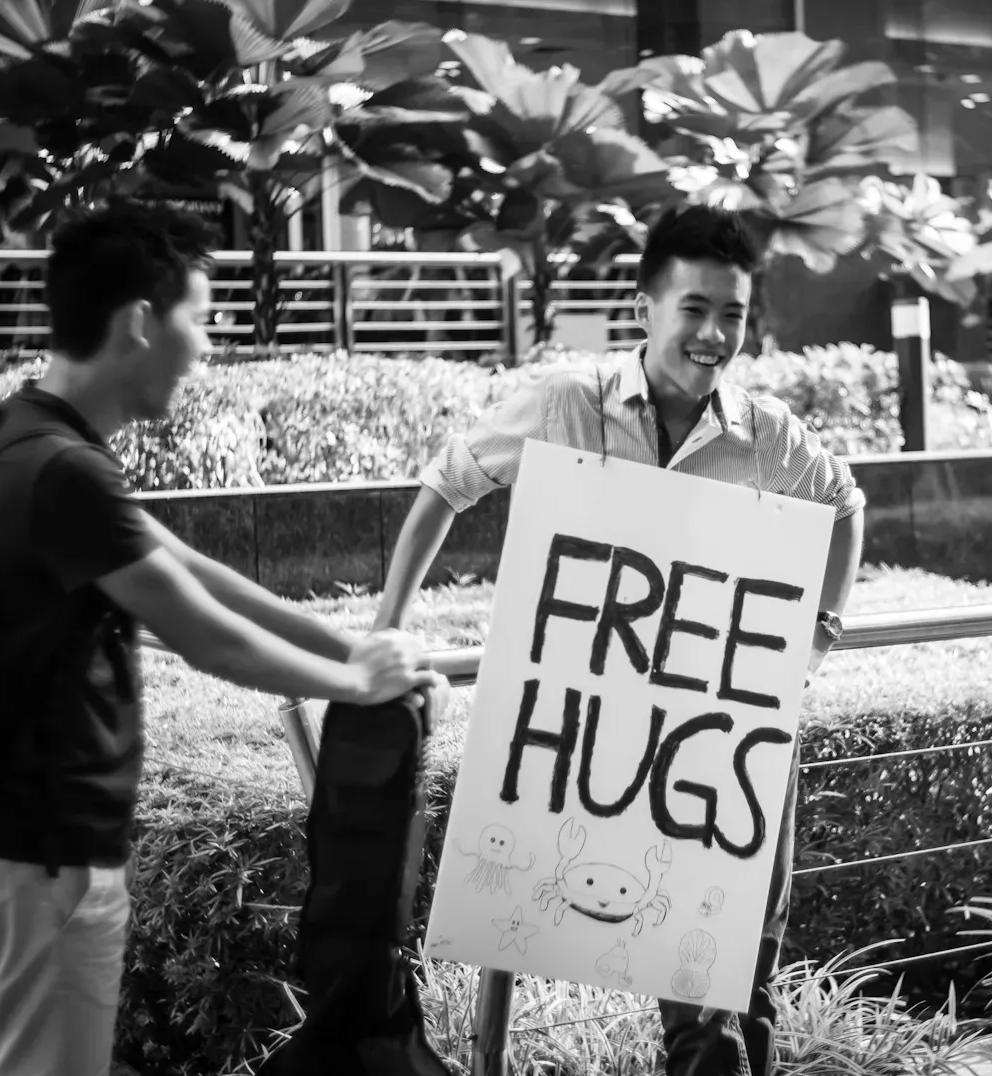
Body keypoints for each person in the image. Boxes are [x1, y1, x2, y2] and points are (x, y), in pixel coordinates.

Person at [0, 200, 447, 1076]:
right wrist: (355, 687)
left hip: (9, 849)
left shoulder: (31, 436)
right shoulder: (61, 473)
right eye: (198, 320)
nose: (206, 349)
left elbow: (195, 570)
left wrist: (353, 648)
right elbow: (207, 637)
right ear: (139, 322)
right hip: (36, 859)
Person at [373, 204, 865, 1076]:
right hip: (593, 736)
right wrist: (387, 630)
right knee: (559, 922)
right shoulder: (569, 402)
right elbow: (447, 485)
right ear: (645, 307)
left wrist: (815, 639)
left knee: (734, 974)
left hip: (727, 744)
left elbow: (846, 505)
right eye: (695, 309)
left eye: (734, 315)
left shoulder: (770, 434)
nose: (714, 334)